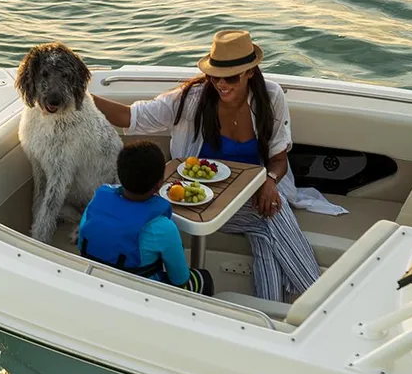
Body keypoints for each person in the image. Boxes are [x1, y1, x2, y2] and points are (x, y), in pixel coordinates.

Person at [92, 30, 347, 302]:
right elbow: (131, 117)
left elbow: (279, 159)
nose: (221, 85)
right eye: (215, 76)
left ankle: (269, 309)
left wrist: (270, 181)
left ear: (250, 72)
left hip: (250, 198)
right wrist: (83, 98)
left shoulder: (270, 98)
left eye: (231, 78)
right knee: (273, 216)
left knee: (267, 222)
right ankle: (319, 301)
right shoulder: (192, 98)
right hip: (200, 202)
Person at [78, 140, 214, 296]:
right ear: (158, 185)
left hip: (97, 283)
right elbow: (179, 279)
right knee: (204, 278)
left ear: (120, 176)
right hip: (141, 295)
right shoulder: (162, 227)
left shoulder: (96, 202)